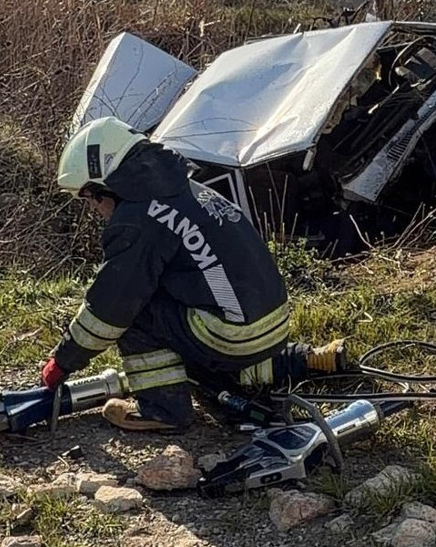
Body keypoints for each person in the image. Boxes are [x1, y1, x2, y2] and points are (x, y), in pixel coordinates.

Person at [41, 117, 344, 431]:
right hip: (272, 324)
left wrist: (63, 361)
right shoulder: (181, 188)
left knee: (135, 313)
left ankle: (162, 410)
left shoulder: (137, 218)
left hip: (232, 335)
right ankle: (304, 360)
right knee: (198, 362)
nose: (92, 208)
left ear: (105, 187)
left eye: (88, 198)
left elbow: (111, 307)